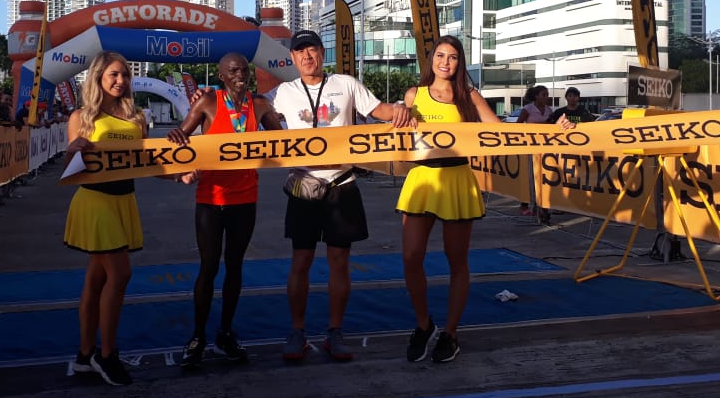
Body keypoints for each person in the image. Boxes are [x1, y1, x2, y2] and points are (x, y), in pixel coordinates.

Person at [268, 30, 414, 362]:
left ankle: (335, 331)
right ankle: (298, 331)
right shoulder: (283, 92)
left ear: (322, 53)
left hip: (342, 184)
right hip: (304, 185)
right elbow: (250, 114)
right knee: (300, 262)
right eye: (300, 52)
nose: (307, 56)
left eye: (312, 50)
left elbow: (380, 111)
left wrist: (404, 109)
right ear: (292, 58)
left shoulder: (347, 84)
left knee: (339, 263)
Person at [166, 52, 284, 368]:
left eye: (244, 69)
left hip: (245, 197)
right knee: (208, 267)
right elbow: (181, 135)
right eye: (233, 70)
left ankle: (226, 333)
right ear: (221, 75)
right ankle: (198, 336)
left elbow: (285, 140)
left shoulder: (258, 105)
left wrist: (277, 116)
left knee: (234, 266)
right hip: (211, 198)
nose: (240, 74)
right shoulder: (208, 102)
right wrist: (178, 141)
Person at [396, 36, 502, 363]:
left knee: (457, 262)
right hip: (422, 178)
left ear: (460, 62)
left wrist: (556, 128)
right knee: (411, 257)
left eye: (453, 57)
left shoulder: (469, 96)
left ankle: (451, 334)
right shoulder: (415, 94)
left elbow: (501, 130)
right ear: (431, 60)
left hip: (457, 178)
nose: (446, 62)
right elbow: (398, 128)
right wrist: (400, 115)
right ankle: (424, 324)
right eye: (440, 55)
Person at [63, 51, 147, 386]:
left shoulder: (136, 118)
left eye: (125, 75)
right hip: (95, 200)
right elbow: (72, 168)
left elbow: (146, 163)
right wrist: (74, 150)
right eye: (113, 74)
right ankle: (106, 355)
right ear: (98, 77)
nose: (120, 81)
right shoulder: (81, 117)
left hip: (124, 199)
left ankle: (85, 355)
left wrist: (178, 175)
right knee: (121, 274)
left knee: (96, 280)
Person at [516, 84, 553, 220]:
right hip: (530, 146)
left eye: (547, 94)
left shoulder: (549, 110)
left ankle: (540, 205)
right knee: (529, 177)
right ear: (536, 96)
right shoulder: (528, 109)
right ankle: (524, 205)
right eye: (543, 94)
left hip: (545, 148)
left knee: (542, 177)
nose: (546, 97)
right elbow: (518, 125)